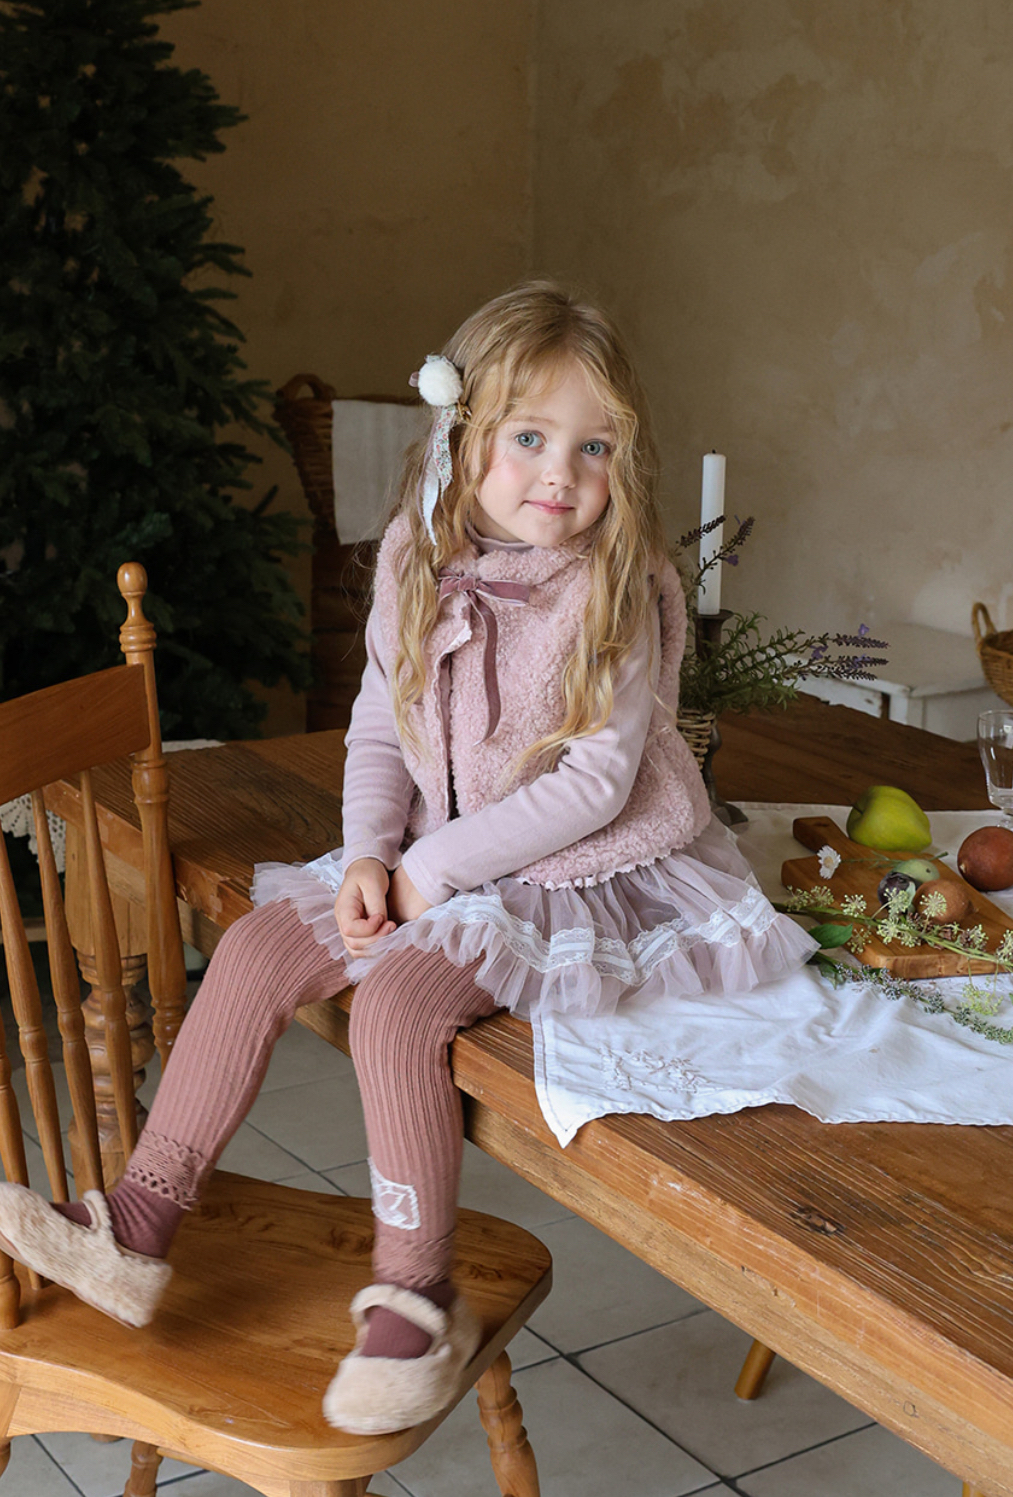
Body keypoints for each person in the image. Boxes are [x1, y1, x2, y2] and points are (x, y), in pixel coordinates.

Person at [0, 281, 817, 1434]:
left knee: (393, 1008)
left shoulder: (614, 584)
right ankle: (137, 1224)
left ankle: (415, 1302)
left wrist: (430, 877)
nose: (559, 474)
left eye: (591, 448)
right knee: (254, 946)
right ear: (463, 434)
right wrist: (367, 855)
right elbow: (382, 728)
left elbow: (591, 785)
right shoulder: (414, 556)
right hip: (433, 848)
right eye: (528, 438)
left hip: (574, 867)